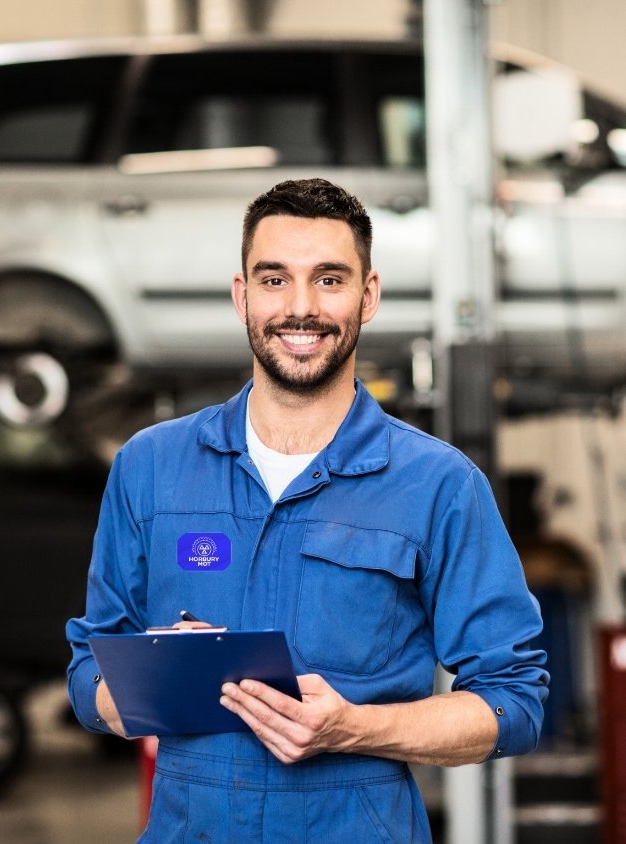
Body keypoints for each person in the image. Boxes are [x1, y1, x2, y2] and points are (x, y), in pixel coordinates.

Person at [66, 178, 548, 842]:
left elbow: (514, 700)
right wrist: (160, 681)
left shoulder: (438, 485)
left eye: (328, 280)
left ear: (368, 295)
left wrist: (358, 726)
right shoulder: (150, 469)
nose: (299, 308)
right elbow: (89, 671)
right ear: (241, 296)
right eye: (273, 281)